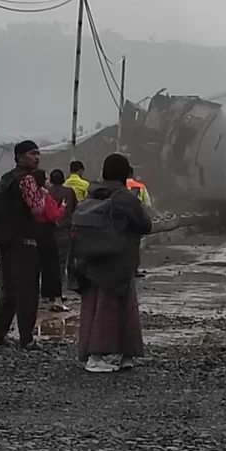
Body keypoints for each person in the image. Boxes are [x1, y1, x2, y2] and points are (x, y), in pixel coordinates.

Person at [73, 153, 152, 373]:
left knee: (93, 308)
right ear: (125, 174)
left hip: (90, 260)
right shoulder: (124, 197)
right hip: (118, 260)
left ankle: (96, 354)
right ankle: (104, 358)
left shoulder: (91, 194)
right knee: (121, 308)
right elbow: (145, 224)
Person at [0, 140, 45, 349]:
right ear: (19, 157)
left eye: (38, 153)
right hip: (25, 242)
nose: (36, 157)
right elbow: (37, 210)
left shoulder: (6, 178)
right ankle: (27, 339)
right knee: (27, 290)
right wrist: (44, 196)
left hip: (6, 241)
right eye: (32, 153)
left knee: (8, 289)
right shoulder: (27, 180)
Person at [32, 169, 68, 312]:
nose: (48, 181)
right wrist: (62, 207)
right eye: (46, 178)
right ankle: (57, 300)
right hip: (47, 232)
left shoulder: (30, 195)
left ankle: (42, 295)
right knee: (53, 265)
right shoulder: (45, 195)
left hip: (33, 232)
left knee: (37, 266)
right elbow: (53, 215)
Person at [48, 169, 77, 298]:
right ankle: (60, 291)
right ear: (64, 179)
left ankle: (48, 289)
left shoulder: (46, 192)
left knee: (48, 261)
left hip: (48, 230)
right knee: (62, 262)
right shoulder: (69, 192)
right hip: (65, 230)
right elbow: (75, 208)